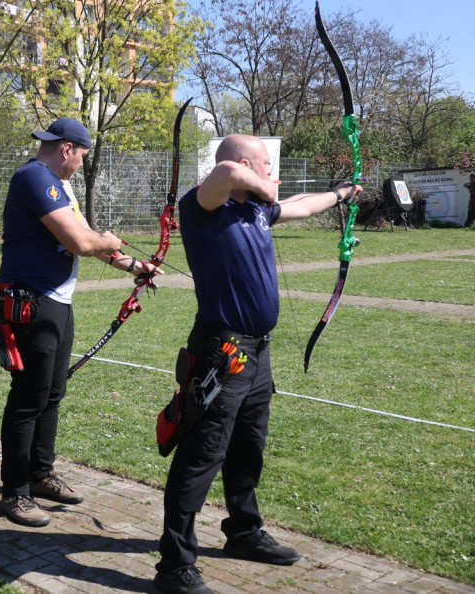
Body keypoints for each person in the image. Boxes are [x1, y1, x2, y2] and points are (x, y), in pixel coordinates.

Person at [153, 134, 363, 594]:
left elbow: (303, 205)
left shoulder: (256, 211)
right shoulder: (203, 207)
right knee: (202, 453)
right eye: (267, 165)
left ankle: (243, 532)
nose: (273, 172)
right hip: (222, 352)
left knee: (248, 446)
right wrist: (262, 185)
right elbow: (227, 174)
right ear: (248, 163)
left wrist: (343, 193)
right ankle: (174, 564)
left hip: (257, 352)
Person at [0, 118, 156, 528]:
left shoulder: (58, 186)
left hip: (57, 302)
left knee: (52, 392)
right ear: (67, 148)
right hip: (32, 302)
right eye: (82, 155)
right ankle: (15, 492)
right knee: (29, 396)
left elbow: (85, 240)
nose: (82, 164)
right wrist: (110, 240)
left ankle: (41, 474)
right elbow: (83, 242)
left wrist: (135, 266)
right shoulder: (35, 177)